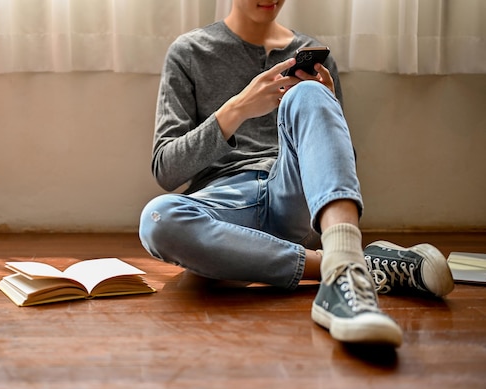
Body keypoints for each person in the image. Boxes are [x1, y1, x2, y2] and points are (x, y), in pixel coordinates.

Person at [138, 0, 454, 347]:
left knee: (308, 91)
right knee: (157, 219)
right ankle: (344, 264)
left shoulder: (312, 55)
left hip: (296, 195)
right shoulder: (189, 52)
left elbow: (340, 170)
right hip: (228, 205)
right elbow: (166, 169)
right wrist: (238, 108)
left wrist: (323, 108)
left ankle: (342, 269)